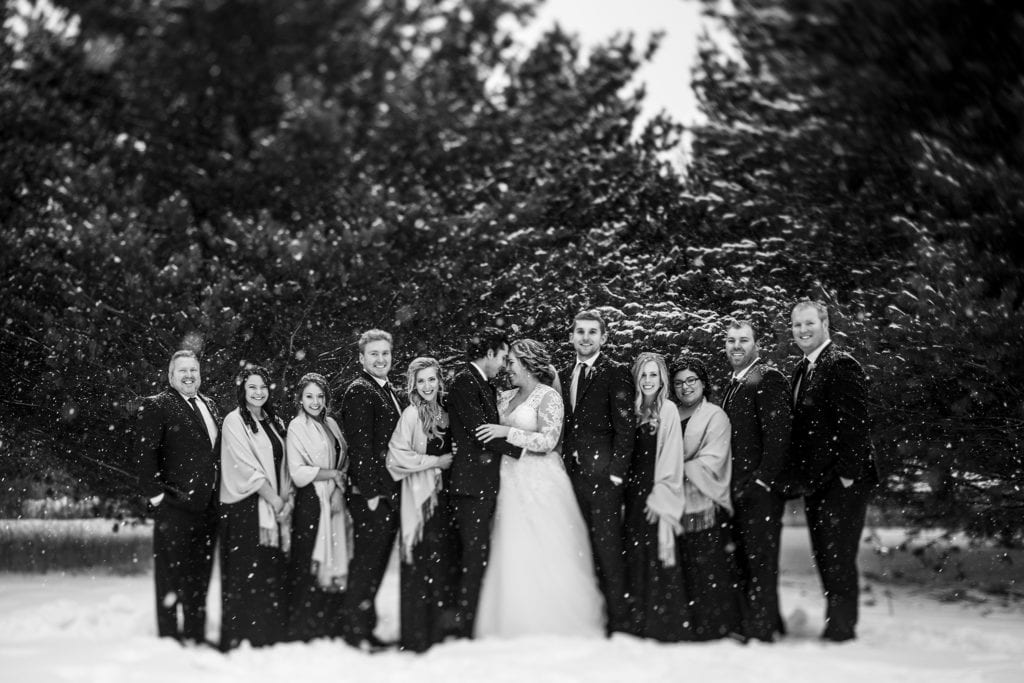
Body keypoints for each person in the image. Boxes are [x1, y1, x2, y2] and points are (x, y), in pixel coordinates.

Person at [475, 339, 605, 637]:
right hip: (507, 478)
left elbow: (549, 441)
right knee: (510, 544)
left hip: (539, 480)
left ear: (528, 363)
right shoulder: (504, 397)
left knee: (544, 544)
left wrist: (509, 431)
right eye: (506, 362)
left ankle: (552, 620)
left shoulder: (549, 397)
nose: (507, 368)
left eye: (512, 362)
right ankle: (510, 619)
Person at [785, 300, 878, 642]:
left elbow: (855, 426)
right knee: (825, 556)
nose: (803, 330)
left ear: (825, 323)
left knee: (838, 557)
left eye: (809, 323)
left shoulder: (841, 365)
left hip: (843, 483)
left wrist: (847, 475)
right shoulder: (802, 369)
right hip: (817, 482)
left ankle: (841, 631)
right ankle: (835, 624)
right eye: (796, 325)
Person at [134, 349, 220, 644]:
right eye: (182, 371)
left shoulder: (210, 405)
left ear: (200, 374)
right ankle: (169, 638)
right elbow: (145, 456)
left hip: (208, 507)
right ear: (171, 376)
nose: (188, 375)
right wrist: (158, 499)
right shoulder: (157, 405)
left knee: (199, 575)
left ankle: (196, 634)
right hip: (174, 506)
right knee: (170, 577)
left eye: (193, 370)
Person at [558, 309, 636, 634]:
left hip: (605, 480)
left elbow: (626, 427)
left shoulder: (615, 373)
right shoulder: (564, 375)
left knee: (609, 551)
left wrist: (616, 474)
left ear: (603, 338)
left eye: (592, 332)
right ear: (572, 337)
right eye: (580, 332)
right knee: (582, 549)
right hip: (574, 478)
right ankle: (591, 617)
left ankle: (620, 622)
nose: (586, 338)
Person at [445, 327, 524, 639]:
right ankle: (466, 626)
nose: (504, 363)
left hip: (483, 483)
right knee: (473, 557)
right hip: (471, 486)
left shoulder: (482, 383)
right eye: (503, 356)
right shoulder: (466, 382)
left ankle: (474, 620)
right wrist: (524, 449)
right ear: (489, 354)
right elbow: (481, 432)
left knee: (479, 555)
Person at [720, 320, 792, 642]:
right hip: (737, 490)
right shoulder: (733, 383)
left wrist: (762, 481)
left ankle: (762, 631)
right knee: (746, 560)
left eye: (744, 340)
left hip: (760, 491)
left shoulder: (769, 379)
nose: (737, 346)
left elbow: (779, 438)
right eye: (732, 340)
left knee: (761, 561)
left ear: (755, 344)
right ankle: (766, 622)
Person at [219, 366, 293, 650]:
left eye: (263, 386)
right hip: (246, 507)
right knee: (245, 573)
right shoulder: (234, 421)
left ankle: (268, 633)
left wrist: (284, 497)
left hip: (274, 505)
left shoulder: (274, 421)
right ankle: (242, 637)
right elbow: (244, 465)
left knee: (269, 571)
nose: (258, 392)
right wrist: (274, 500)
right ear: (243, 390)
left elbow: (283, 463)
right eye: (252, 387)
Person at [671, 356, 744, 641]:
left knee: (709, 569)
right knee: (683, 569)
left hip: (706, 504)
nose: (685, 387)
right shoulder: (668, 414)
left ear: (703, 383)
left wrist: (670, 468)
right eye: (678, 383)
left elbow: (712, 461)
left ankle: (715, 627)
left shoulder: (716, 416)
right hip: (674, 505)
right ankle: (688, 625)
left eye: (691, 380)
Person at [340, 329, 404, 650]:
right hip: (371, 496)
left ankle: (364, 626)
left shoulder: (388, 390)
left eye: (385, 353)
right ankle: (355, 631)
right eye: (374, 354)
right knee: (366, 563)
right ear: (362, 358)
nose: (381, 359)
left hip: (387, 493)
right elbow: (360, 447)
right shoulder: (360, 391)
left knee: (376, 562)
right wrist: (371, 493)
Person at [386, 357, 455, 653]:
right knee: (418, 562)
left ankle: (437, 631)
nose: (427, 386)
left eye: (431, 379)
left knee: (439, 563)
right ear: (414, 385)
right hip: (419, 497)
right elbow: (395, 456)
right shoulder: (411, 415)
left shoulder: (447, 411)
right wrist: (435, 461)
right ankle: (416, 636)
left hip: (443, 498)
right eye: (421, 381)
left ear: (439, 380)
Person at [622, 352, 690, 641]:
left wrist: (660, 496)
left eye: (653, 375)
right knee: (635, 554)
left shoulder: (669, 411)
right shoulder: (631, 410)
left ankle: (663, 624)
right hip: (632, 493)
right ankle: (637, 621)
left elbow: (673, 457)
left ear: (662, 378)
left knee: (657, 554)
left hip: (657, 490)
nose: (648, 380)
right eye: (644, 375)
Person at [285, 372, 348, 641]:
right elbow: (298, 472)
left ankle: (327, 623)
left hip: (334, 497)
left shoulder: (331, 423)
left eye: (320, 396)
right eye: (309, 396)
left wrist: (336, 485)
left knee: (334, 559)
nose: (315, 402)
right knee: (309, 560)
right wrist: (331, 475)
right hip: (310, 498)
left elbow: (344, 458)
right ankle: (303, 626)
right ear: (300, 398)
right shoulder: (296, 427)